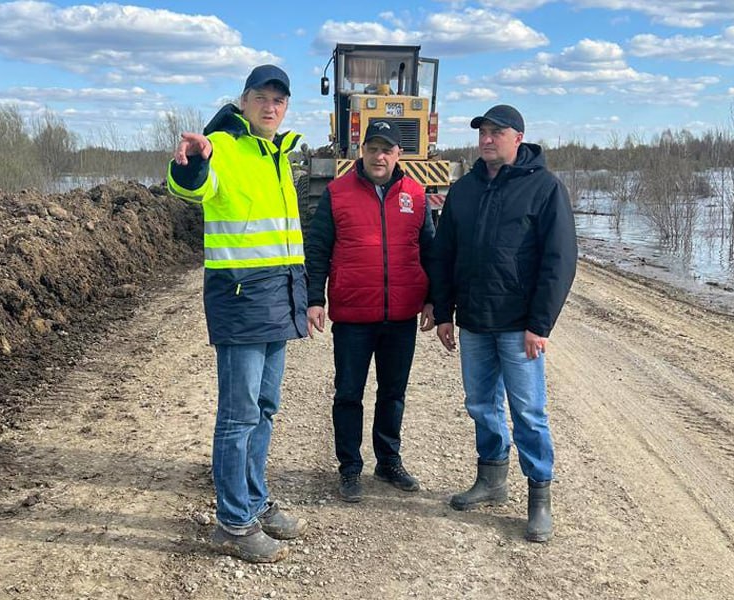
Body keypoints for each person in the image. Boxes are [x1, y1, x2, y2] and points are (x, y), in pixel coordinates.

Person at [167, 64, 308, 563]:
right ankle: (232, 522)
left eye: (280, 100)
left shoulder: (276, 154)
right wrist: (192, 163)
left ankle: (253, 498)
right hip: (241, 298)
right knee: (238, 415)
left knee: (265, 409)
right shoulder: (222, 144)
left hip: (277, 297)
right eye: (262, 97)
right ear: (244, 101)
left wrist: (302, 297)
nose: (271, 107)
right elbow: (191, 188)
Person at [431, 104, 577, 542]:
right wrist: (444, 312)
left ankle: (539, 498)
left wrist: (540, 324)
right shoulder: (465, 190)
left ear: (518, 137)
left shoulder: (545, 188)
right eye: (483, 133)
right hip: (475, 322)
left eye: (497, 132)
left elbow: (559, 261)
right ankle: (492, 480)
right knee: (481, 405)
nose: (487, 139)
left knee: (529, 412)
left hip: (519, 326)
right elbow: (445, 254)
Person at [305, 119, 436, 503]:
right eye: (373, 148)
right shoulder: (337, 193)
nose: (380, 156)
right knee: (348, 393)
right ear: (361, 151)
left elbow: (430, 250)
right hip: (352, 315)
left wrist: (434, 299)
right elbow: (317, 248)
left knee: (393, 392)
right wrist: (316, 298)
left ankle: (388, 460)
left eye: (388, 149)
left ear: (398, 154)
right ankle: (349, 467)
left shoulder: (416, 193)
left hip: (401, 316)